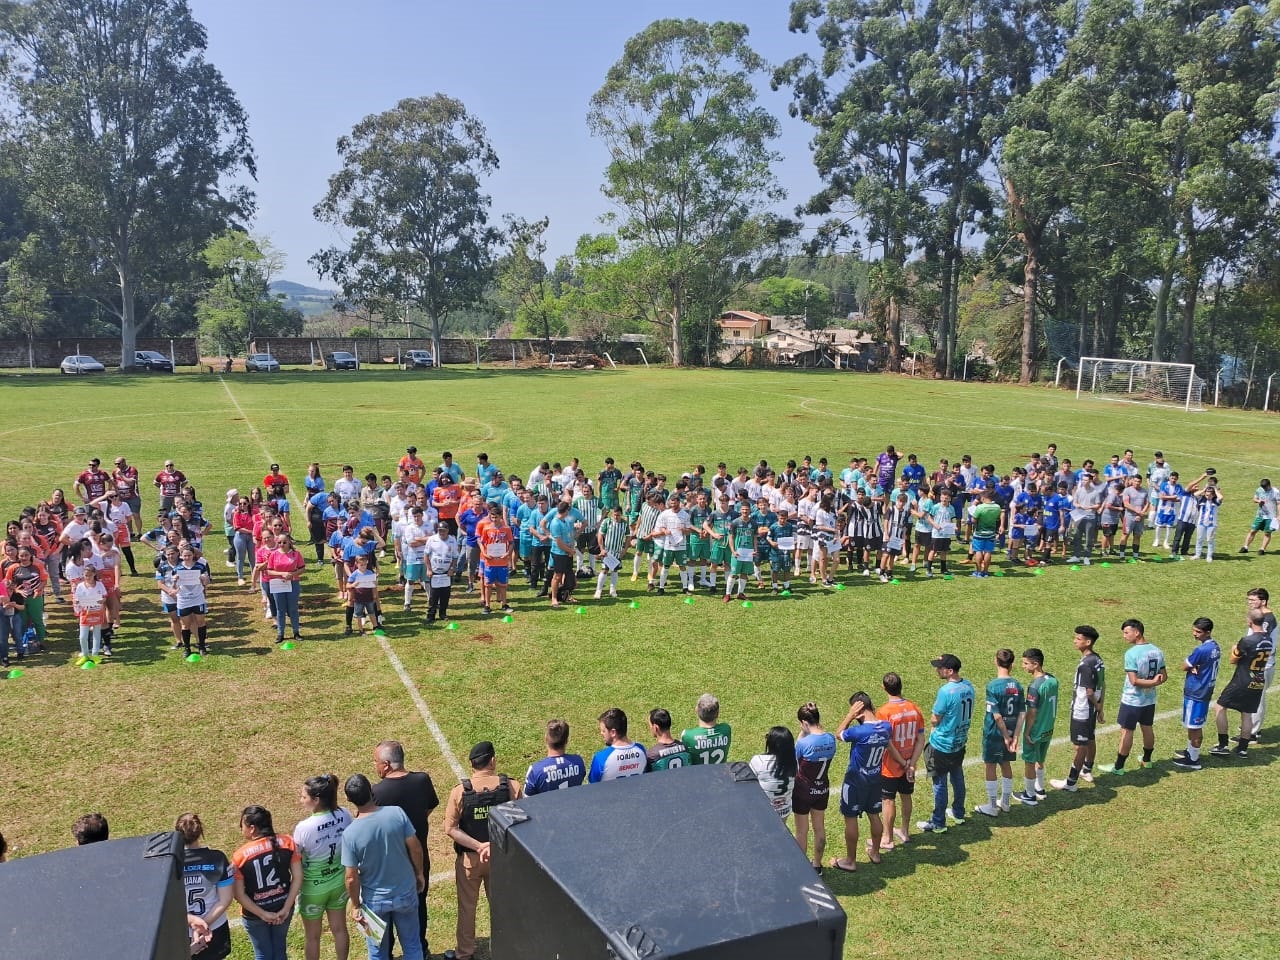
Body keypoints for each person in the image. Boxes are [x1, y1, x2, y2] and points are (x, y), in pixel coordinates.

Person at [443, 741, 523, 960]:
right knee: (501, 907)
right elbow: (520, 823)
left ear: (472, 764)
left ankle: (464, 953)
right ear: (493, 761)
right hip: (501, 860)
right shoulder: (512, 787)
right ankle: (506, 949)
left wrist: (479, 846)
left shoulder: (460, 792)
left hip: (470, 859)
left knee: (467, 908)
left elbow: (450, 828)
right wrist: (494, 845)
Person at [341, 773, 424, 960]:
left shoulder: (350, 834)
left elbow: (351, 877)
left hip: (373, 904)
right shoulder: (396, 813)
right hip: (405, 894)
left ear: (349, 800)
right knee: (412, 946)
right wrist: (419, 874)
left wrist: (355, 906)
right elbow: (416, 848)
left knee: (377, 953)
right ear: (371, 791)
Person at [371, 740, 439, 960]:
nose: (376, 766)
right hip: (420, 859)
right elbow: (429, 806)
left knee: (387, 913)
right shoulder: (422, 780)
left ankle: (387, 953)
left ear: (387, 764)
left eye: (377, 762)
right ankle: (420, 948)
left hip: (392, 864)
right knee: (419, 907)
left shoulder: (377, 792)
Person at [291, 775, 352, 960]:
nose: (301, 800)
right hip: (339, 883)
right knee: (340, 929)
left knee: (312, 937)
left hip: (313, 889)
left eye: (304, 797)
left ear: (316, 800)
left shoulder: (304, 828)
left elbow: (295, 858)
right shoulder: (345, 814)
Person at [232, 806, 302, 960]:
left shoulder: (239, 856)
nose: (240, 829)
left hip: (254, 914)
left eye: (241, 825)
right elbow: (297, 877)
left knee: (262, 954)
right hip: (283, 906)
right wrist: (286, 907)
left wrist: (262, 914)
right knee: (280, 951)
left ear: (252, 828)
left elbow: (239, 894)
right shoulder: (288, 842)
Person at [831, 692, 892, 871]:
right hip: (875, 780)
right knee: (874, 815)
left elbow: (838, 734)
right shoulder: (886, 727)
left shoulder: (858, 731)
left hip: (855, 782)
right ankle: (875, 852)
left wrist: (849, 716)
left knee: (850, 818)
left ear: (858, 711)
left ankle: (850, 861)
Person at [918, 654, 975, 834]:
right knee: (957, 777)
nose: (937, 670)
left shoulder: (946, 691)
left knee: (939, 783)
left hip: (942, 744)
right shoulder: (969, 687)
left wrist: (934, 725)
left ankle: (938, 822)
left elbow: (935, 718)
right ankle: (958, 813)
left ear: (949, 671)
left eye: (940, 667)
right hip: (959, 741)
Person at [1101, 618, 1167, 775]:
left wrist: (1150, 682)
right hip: (1149, 699)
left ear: (1137, 633)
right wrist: (1153, 683)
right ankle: (1147, 759)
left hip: (1132, 700)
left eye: (1126, 632)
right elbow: (1163, 677)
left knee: (1126, 731)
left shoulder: (1131, 654)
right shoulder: (1157, 651)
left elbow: (1134, 681)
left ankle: (1118, 767)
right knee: (1147, 728)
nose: (1124, 636)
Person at [1210, 609, 1275, 758]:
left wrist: (1233, 649)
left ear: (1250, 622)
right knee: (1247, 713)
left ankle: (1222, 745)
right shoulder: (1268, 640)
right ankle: (1242, 749)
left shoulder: (1247, 641)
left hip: (1242, 680)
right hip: (1258, 681)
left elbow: (1233, 660)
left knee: (1220, 706)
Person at [1050, 626, 1106, 792]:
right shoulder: (1098, 659)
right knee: (1089, 739)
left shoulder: (1085, 665)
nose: (1075, 641)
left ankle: (1071, 782)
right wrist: (1100, 707)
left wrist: (1096, 705)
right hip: (1091, 709)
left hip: (1082, 710)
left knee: (1079, 746)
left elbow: (1089, 692)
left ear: (1088, 642)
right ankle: (1087, 770)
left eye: (1078, 639)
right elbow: (1102, 685)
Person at [875, 673, 924, 849]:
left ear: (884, 688)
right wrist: (911, 762)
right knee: (906, 796)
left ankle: (887, 838)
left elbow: (887, 743)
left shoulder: (883, 712)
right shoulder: (914, 708)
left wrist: (903, 763)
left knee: (888, 800)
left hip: (890, 766)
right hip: (909, 765)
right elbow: (921, 739)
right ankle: (904, 830)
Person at [974, 649, 1025, 817]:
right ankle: (1006, 802)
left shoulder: (993, 686)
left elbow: (996, 716)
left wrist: (1005, 736)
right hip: (1012, 729)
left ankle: (991, 805)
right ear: (1012, 664)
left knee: (990, 765)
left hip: (995, 734)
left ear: (995, 661)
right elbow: (1022, 713)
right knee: (1005, 764)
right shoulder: (1018, 685)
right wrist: (1015, 736)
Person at [176, 813, 234, 960]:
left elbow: (166, 904)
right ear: (200, 832)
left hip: (183, 931)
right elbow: (225, 899)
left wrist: (192, 921)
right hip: (214, 927)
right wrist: (204, 924)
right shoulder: (217, 858)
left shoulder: (170, 864)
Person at [793, 701, 837, 871]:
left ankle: (802, 868)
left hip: (803, 790)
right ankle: (817, 865)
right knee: (819, 828)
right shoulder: (831, 739)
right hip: (822, 788)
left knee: (802, 831)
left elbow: (794, 759)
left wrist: (800, 735)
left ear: (804, 723)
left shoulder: (804, 744)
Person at [1172, 618, 1221, 771]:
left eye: (1198, 632)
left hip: (1197, 691)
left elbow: (1184, 666)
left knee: (1194, 726)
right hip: (1204, 690)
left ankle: (1193, 759)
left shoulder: (1201, 650)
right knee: (1193, 725)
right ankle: (1190, 752)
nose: (1195, 634)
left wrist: (1192, 667)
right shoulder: (1215, 647)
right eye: (1194, 630)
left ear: (1208, 632)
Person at [1014, 648, 1059, 804]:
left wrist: (1027, 732)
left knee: (1030, 761)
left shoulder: (1034, 686)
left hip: (1036, 729)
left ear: (1036, 664)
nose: (1023, 666)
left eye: (1026, 663)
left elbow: (1032, 713)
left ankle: (1029, 794)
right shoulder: (1053, 680)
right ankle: (1040, 788)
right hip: (1049, 728)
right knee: (1041, 758)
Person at [1245, 588, 1276, 742]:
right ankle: (1250, 728)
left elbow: (1260, 642)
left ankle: (1253, 732)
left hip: (1262, 666)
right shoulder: (1262, 617)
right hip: (1262, 664)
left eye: (1253, 600)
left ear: (1263, 601)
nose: (1250, 603)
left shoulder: (1266, 620)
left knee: (1257, 698)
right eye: (1248, 600)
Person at [524, 718, 587, 794]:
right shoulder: (579, 762)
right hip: (574, 805)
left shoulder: (536, 770)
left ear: (545, 739)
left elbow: (527, 799)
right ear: (566, 741)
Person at [749, 726, 798, 819]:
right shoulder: (794, 763)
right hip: (784, 811)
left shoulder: (759, 761)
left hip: (763, 811)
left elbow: (748, 785)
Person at [588, 708, 647, 782]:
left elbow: (593, 785)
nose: (601, 733)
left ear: (613, 732)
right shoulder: (641, 750)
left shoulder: (601, 757)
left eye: (603, 731)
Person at [423, 520, 460, 627]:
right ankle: (430, 615)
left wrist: (452, 568)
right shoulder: (432, 540)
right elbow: (426, 555)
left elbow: (455, 557)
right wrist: (429, 569)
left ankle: (443, 613)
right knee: (433, 595)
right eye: (439, 530)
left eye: (443, 530)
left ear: (447, 531)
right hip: (435, 572)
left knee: (445, 594)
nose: (441, 532)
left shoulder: (452, 540)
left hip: (446, 573)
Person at [72, 562, 108, 665]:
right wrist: (77, 602)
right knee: (83, 636)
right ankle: (85, 654)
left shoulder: (99, 585)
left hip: (97, 612)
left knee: (96, 634)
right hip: (85, 613)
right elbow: (77, 598)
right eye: (85, 575)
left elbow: (105, 596)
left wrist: (102, 600)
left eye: (90, 575)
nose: (87, 577)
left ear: (94, 574)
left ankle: (95, 654)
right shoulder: (80, 586)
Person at [680, 693, 732, 764]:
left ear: (696, 710)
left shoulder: (688, 736)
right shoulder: (726, 730)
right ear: (718, 713)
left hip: (698, 775)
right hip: (720, 774)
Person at [1239, 478, 1277, 555]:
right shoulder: (1259, 490)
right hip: (1260, 515)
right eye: (1263, 487)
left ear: (1269, 485)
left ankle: (1262, 549)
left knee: (1267, 533)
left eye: (1265, 487)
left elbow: (1279, 503)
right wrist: (1259, 501)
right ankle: (1245, 547)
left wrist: (1279, 516)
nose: (1264, 489)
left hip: (1270, 516)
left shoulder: (1275, 492)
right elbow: (1254, 499)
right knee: (1253, 530)